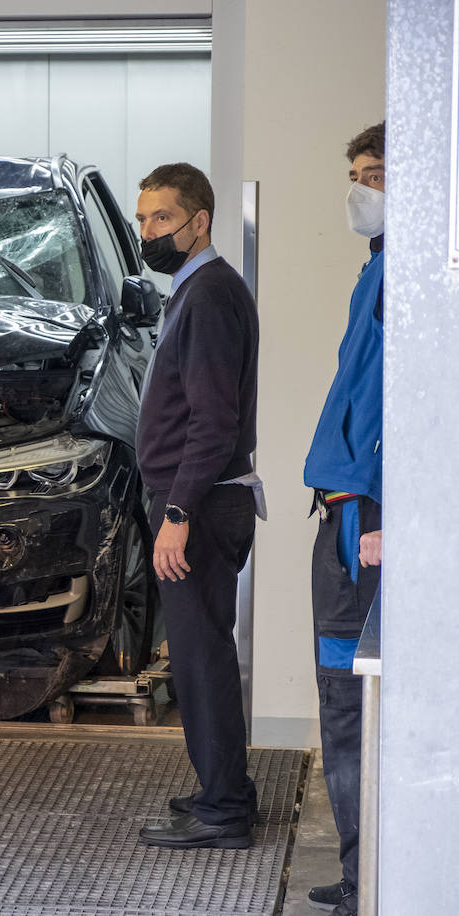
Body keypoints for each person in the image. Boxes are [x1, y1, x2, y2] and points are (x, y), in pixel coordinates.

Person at [132, 163, 264, 849]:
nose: (148, 232)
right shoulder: (194, 292)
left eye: (161, 218)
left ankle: (224, 811)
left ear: (200, 220)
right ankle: (224, 790)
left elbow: (213, 422)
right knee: (198, 653)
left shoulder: (208, 295)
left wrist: (177, 513)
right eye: (143, 219)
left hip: (201, 507)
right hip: (199, 501)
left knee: (201, 656)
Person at [300, 122, 386, 916]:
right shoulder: (381, 270)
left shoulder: (409, 278)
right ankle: (364, 871)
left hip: (365, 524)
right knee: (346, 698)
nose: (361, 189)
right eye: (356, 173)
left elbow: (405, 403)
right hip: (348, 514)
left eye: (376, 173)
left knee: (349, 697)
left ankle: (369, 879)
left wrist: (390, 512)